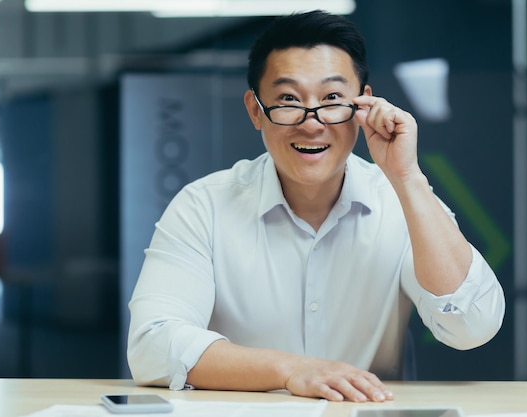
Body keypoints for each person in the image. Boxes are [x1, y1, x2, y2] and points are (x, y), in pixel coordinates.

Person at [127, 10, 505, 403]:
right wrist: (291, 370)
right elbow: (152, 345)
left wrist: (408, 178)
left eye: (332, 99)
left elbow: (472, 326)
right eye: (288, 99)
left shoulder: (401, 200)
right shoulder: (203, 206)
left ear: (364, 106)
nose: (312, 123)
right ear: (256, 110)